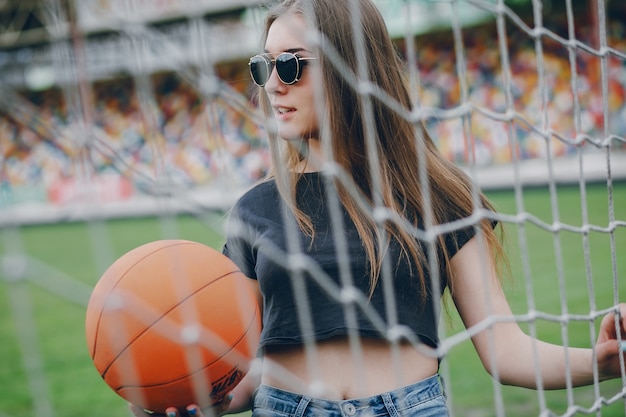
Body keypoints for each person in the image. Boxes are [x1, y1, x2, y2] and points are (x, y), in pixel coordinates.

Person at [131, 0, 626, 416]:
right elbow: (245, 371)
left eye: (291, 65)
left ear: (352, 68)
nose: (273, 85)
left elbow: (506, 352)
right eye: (264, 66)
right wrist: (179, 394)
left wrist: (602, 362)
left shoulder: (439, 195)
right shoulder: (255, 209)